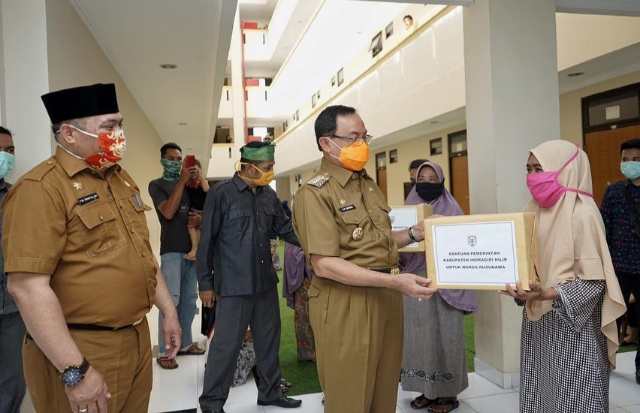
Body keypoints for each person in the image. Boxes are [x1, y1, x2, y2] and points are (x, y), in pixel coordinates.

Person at [3, 83, 181, 412]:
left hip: (136, 339)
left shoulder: (120, 179)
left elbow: (142, 256)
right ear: (69, 134)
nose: (119, 134)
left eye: (120, 125)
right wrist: (76, 372)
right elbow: (26, 288)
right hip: (82, 348)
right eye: (108, 127)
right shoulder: (40, 189)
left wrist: (168, 311)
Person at [292, 105, 437, 413]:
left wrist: (415, 233)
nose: (362, 145)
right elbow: (324, 264)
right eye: (353, 137)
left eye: (364, 137)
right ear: (326, 143)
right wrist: (395, 281)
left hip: (386, 297)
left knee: (384, 394)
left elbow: (377, 242)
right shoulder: (314, 193)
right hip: (346, 303)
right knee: (350, 398)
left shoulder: (367, 184)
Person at [503, 139, 625, 413]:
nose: (532, 176)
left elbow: (595, 282)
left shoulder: (583, 212)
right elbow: (525, 266)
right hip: (538, 322)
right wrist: (521, 289)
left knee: (576, 393)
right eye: (528, 169)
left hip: (574, 325)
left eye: (539, 168)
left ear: (564, 169)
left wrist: (547, 293)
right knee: (541, 389)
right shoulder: (531, 210)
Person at [197, 141, 302, 413]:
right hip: (234, 286)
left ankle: (270, 392)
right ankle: (211, 403)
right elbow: (206, 242)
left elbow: (285, 229)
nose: (271, 171)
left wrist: (316, 244)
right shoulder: (221, 194)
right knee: (226, 346)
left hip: (264, 283)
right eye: (268, 167)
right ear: (250, 167)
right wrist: (205, 283)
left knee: (269, 341)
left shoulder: (268, 196)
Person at [400, 161, 477, 413]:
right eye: (421, 179)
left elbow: (463, 246)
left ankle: (447, 395)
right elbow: (400, 242)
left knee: (446, 336)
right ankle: (426, 390)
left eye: (432, 179)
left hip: (445, 283)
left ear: (442, 182)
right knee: (419, 337)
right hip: (416, 281)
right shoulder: (409, 208)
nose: (426, 183)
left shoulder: (452, 209)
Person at [149, 143, 205, 370]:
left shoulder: (191, 185)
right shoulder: (157, 185)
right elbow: (169, 212)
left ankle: (186, 343)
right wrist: (181, 181)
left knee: (190, 302)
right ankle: (166, 351)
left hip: (192, 252)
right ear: (162, 160)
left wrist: (201, 219)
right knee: (170, 301)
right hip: (172, 250)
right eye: (171, 158)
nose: (175, 162)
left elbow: (202, 208)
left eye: (179, 159)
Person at [601, 137, 640, 383]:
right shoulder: (614, 192)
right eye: (626, 159)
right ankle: (605, 360)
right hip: (618, 268)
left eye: (636, 159)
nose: (630, 163)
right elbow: (603, 229)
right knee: (611, 316)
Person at [0, 127, 23, 413]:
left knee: (14, 379)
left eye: (10, 151)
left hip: (12, 306)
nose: (5, 156)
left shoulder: (17, 195)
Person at [283, 239, 315, 362]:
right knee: (303, 315)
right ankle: (307, 353)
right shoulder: (294, 233)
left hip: (311, 275)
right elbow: (292, 251)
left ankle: (317, 352)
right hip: (303, 279)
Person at [185, 158, 210, 261]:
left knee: (196, 227)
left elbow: (207, 190)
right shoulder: (187, 184)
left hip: (203, 211)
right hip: (193, 210)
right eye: (190, 170)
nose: (193, 173)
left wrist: (200, 176)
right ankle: (195, 250)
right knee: (193, 228)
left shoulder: (203, 182)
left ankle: (195, 249)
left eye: (195, 170)